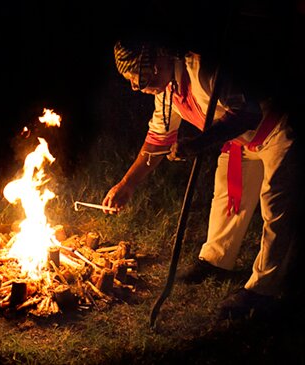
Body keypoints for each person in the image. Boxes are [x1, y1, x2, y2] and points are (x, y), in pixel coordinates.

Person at [102, 38, 300, 319]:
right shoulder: (167, 93)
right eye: (133, 82)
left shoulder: (203, 68)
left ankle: (263, 290)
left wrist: (200, 142)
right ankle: (217, 260)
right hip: (241, 143)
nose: (140, 88)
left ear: (159, 60)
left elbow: (248, 111)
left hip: (276, 130)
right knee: (227, 196)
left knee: (275, 208)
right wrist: (126, 185)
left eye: (142, 78)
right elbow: (157, 141)